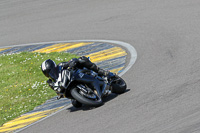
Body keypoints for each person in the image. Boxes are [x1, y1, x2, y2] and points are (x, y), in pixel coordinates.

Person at [41, 56, 115, 107]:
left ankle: (101, 71)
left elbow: (70, 62)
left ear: (53, 66)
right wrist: (59, 93)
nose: (50, 73)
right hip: (69, 88)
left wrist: (72, 62)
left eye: (50, 70)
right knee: (76, 104)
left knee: (82, 60)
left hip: (76, 75)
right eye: (48, 72)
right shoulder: (51, 82)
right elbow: (57, 91)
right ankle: (89, 95)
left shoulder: (60, 66)